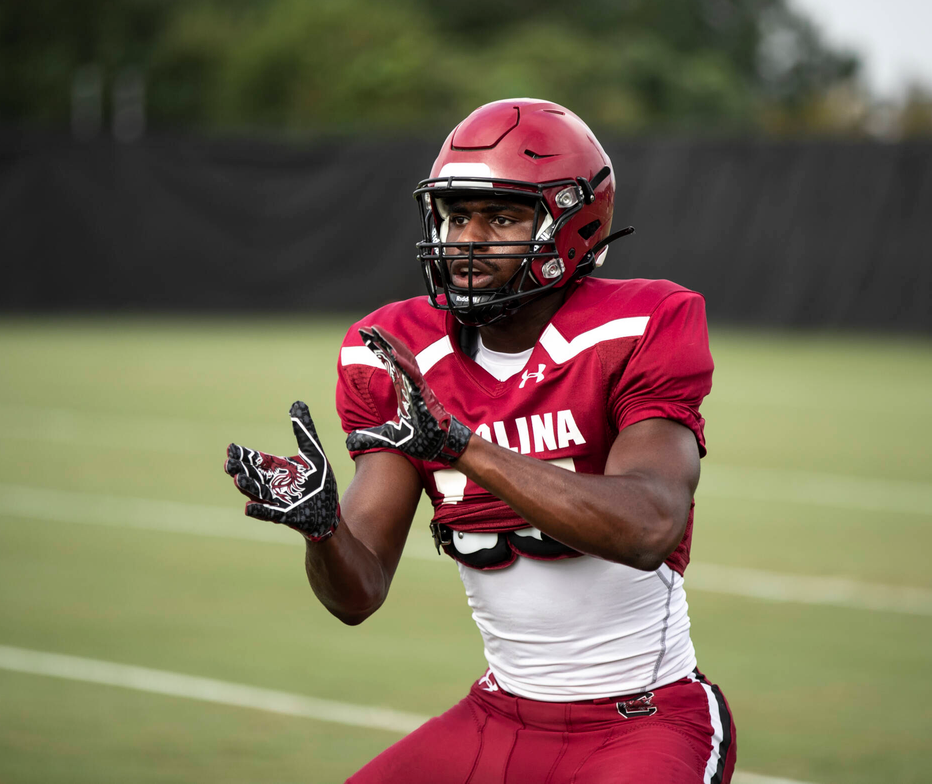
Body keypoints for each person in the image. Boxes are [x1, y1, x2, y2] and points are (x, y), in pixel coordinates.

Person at [224, 98, 735, 784]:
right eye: (456, 215)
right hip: (502, 717)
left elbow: (648, 527)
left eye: (501, 216)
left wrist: (463, 446)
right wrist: (322, 532)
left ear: (573, 224)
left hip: (642, 722)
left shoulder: (641, 323)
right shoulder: (398, 352)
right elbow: (358, 593)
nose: (467, 238)